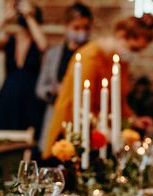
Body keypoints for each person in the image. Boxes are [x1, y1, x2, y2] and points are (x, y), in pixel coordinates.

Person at [42, 13, 153, 158]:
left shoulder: (119, 62)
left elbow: (118, 101)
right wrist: (104, 131)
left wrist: (134, 120)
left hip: (101, 135)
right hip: (73, 134)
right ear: (121, 36)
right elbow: (80, 106)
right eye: (134, 49)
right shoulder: (90, 57)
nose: (134, 54)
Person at [35, 2, 93, 151]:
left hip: (82, 119)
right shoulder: (53, 54)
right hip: (56, 117)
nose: (82, 32)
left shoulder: (91, 55)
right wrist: (54, 90)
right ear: (67, 26)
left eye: (86, 28)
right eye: (76, 27)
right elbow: (40, 88)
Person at [0, 1, 47, 135]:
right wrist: (4, 19)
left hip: (30, 96)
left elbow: (43, 45)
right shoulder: (10, 39)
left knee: (29, 135)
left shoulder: (36, 40)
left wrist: (29, 17)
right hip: (9, 94)